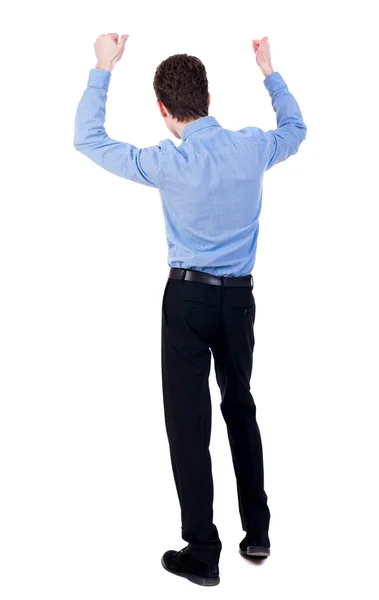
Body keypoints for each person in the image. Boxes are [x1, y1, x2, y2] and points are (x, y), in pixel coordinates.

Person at [74, 32, 307, 587]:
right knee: (240, 406)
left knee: (188, 424)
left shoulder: (163, 162)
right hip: (239, 301)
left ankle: (202, 550)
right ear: (208, 97)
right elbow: (296, 130)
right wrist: (269, 71)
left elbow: (87, 138)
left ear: (163, 109)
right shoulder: (252, 146)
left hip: (186, 298)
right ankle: (258, 533)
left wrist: (103, 67)